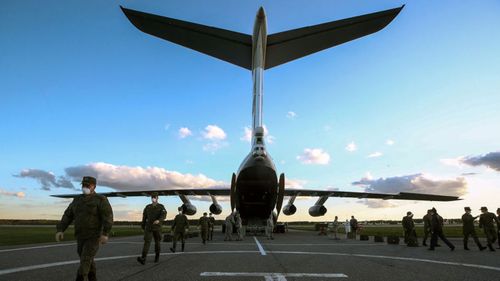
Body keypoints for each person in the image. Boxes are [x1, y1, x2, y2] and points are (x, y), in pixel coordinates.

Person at [56, 176, 113, 281]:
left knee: (85, 259)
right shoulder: (77, 200)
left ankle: (80, 278)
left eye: (88, 185)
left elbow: (108, 216)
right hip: (80, 235)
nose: (85, 187)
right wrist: (60, 230)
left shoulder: (101, 200)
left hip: (94, 236)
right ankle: (92, 278)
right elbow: (68, 215)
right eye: (83, 185)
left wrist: (105, 233)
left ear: (94, 186)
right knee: (86, 259)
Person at [137, 192, 167, 265]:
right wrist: (142, 226)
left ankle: (157, 256)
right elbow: (144, 217)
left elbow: (164, 215)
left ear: (157, 198)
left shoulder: (161, 206)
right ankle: (143, 258)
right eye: (152, 197)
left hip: (157, 227)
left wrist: (159, 220)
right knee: (147, 242)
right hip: (149, 227)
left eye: (155, 197)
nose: (153, 199)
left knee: (157, 242)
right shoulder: (148, 207)